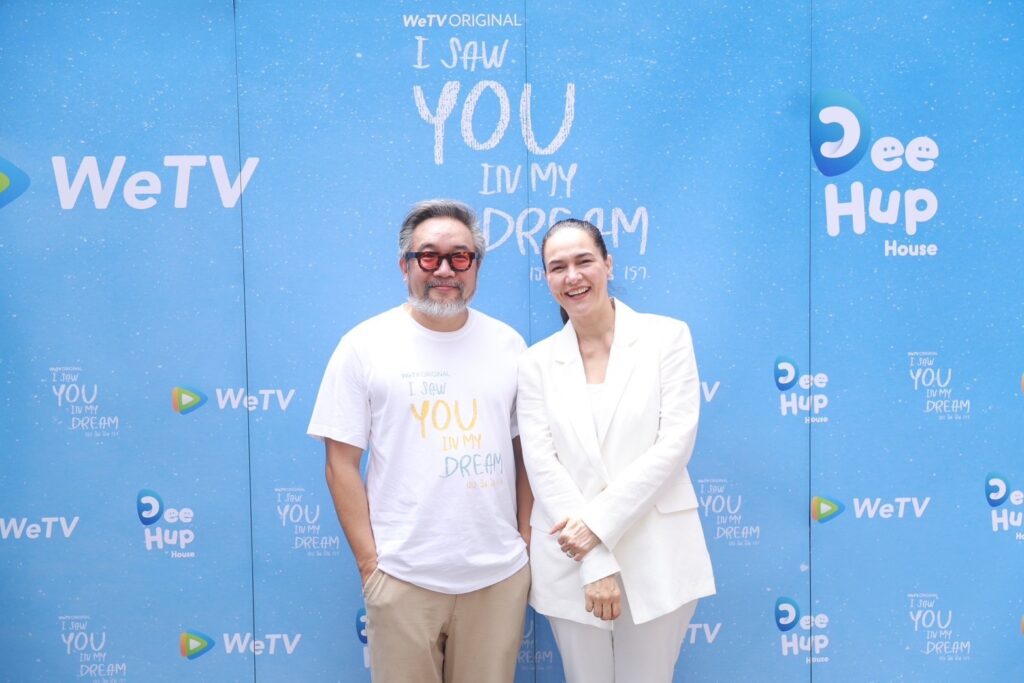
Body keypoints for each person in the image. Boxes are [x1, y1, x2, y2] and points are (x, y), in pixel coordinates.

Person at [307, 199, 532, 683]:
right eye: (428, 256)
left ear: (476, 266)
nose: (444, 269)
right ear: (404, 265)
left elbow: (527, 455)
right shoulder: (363, 346)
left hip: (498, 578)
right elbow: (340, 463)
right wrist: (371, 567)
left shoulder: (510, 346)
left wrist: (526, 546)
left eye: (460, 256)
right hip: (402, 577)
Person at [517, 218, 715, 682]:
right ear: (547, 278)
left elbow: (674, 445)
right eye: (557, 267)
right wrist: (594, 556)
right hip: (570, 557)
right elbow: (542, 464)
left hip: (658, 551)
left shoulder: (667, 338)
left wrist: (595, 527)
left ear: (607, 264)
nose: (572, 276)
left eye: (584, 261)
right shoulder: (534, 363)